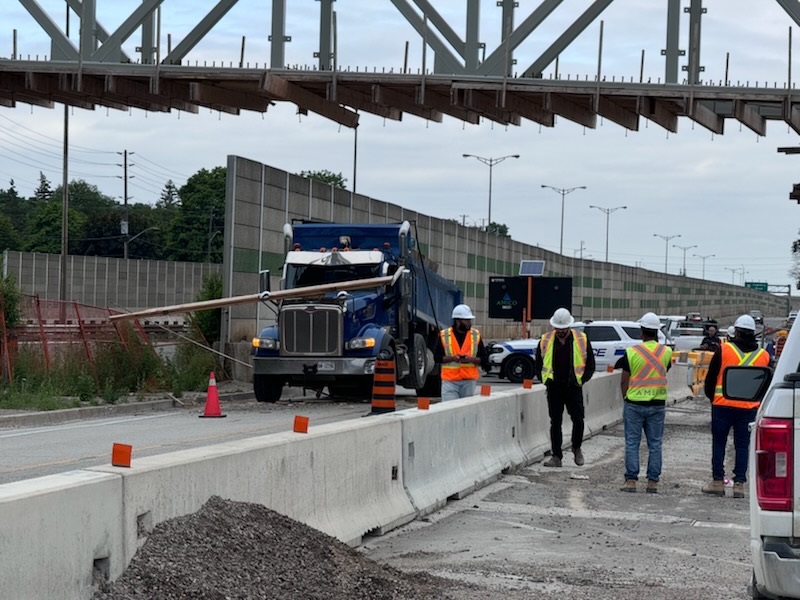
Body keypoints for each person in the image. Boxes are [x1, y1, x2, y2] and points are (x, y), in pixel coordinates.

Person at [702, 314, 770, 498]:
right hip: (748, 408)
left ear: (737, 332)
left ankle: (717, 482)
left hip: (722, 406)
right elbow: (766, 384)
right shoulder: (764, 355)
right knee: (742, 446)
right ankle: (739, 484)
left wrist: (712, 399)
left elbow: (710, 379)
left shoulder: (724, 349)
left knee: (719, 443)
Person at [615, 312, 673, 493]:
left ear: (642, 331)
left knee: (632, 442)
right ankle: (652, 482)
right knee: (655, 444)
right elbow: (665, 370)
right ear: (657, 332)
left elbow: (624, 380)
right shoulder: (667, 351)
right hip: (657, 403)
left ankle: (631, 481)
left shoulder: (632, 352)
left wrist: (626, 398)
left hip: (634, 403)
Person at [534, 307, 595, 467]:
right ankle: (557, 456)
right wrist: (545, 380)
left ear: (569, 326)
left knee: (578, 419)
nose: (560, 332)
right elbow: (538, 364)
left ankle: (576, 447)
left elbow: (590, 365)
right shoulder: (545, 340)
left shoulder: (581, 339)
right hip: (554, 388)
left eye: (563, 329)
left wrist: (581, 380)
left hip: (573, 387)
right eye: (558, 329)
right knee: (555, 422)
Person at [435, 304, 490, 401]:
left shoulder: (475, 335)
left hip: (468, 381)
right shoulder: (444, 335)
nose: (469, 323)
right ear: (457, 321)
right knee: (449, 409)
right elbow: (437, 357)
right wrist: (453, 358)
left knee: (465, 412)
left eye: (470, 320)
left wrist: (471, 360)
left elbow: (484, 358)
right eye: (467, 320)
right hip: (449, 381)